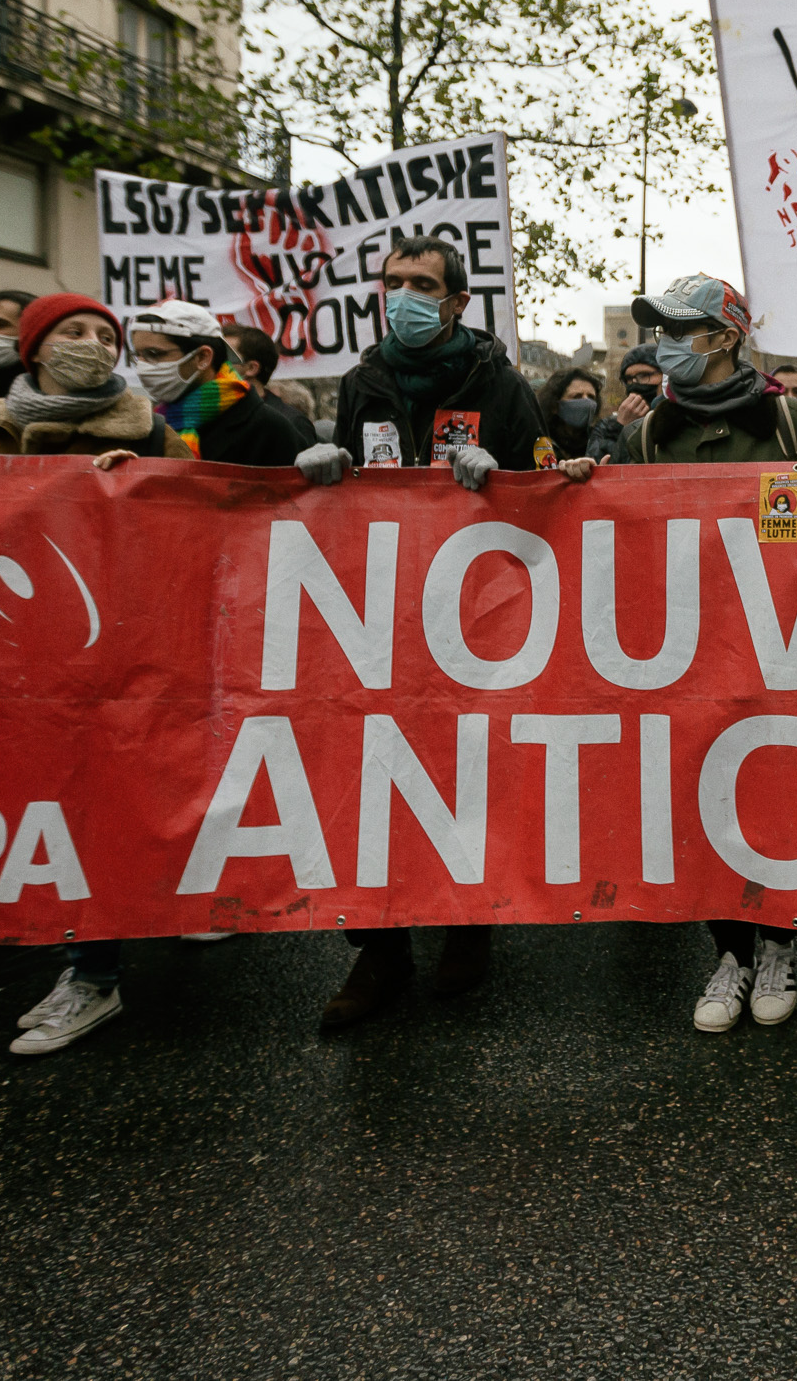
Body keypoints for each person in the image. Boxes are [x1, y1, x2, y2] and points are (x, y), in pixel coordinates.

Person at [294, 232, 544, 1030]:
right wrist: (326, 474)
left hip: (472, 611)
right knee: (371, 773)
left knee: (464, 768)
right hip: (380, 613)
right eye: (392, 281)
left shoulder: (499, 383)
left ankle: (468, 920)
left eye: (421, 284)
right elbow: (352, 486)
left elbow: (551, 486)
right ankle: (380, 948)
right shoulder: (361, 381)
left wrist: (504, 478)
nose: (402, 296)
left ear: (457, 301)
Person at [581, 273, 797, 1032]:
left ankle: (779, 944)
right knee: (704, 796)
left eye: (680, 331)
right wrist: (582, 483)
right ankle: (730, 954)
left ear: (724, 338)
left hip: (776, 643)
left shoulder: (787, 420)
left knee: (776, 790)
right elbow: (619, 537)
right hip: (685, 648)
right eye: (659, 331)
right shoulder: (647, 435)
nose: (664, 345)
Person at [0, 294, 192, 462]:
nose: (93, 343)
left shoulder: (151, 433)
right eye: (75, 333)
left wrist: (136, 482)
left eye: (107, 339)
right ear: (34, 350)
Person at [119, 300, 305, 467]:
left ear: (203, 357)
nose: (142, 366)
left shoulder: (269, 428)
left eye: (154, 354)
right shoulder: (151, 425)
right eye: (138, 356)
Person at [221, 321, 323, 449]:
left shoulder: (291, 422)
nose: (213, 363)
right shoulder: (208, 416)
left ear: (251, 368)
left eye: (224, 357)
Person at [589, 344, 663, 462]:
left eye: (644, 375)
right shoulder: (607, 426)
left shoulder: (678, 420)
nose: (635, 383)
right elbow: (600, 465)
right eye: (628, 379)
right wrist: (620, 428)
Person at [534, 366, 603, 464]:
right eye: (577, 396)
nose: (586, 402)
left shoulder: (600, 441)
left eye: (591, 397)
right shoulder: (539, 442)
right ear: (554, 406)